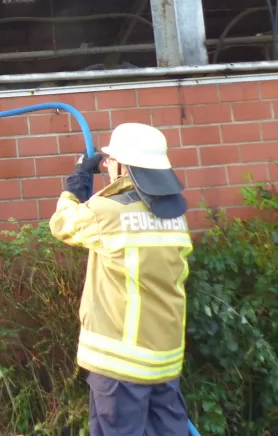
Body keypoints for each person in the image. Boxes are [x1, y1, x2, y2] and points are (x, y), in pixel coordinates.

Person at [48, 122, 193, 436]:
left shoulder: (106, 212)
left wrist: (76, 184)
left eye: (111, 161)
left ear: (123, 166)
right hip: (165, 362)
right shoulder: (176, 218)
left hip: (120, 365)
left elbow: (61, 225)